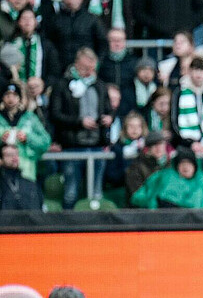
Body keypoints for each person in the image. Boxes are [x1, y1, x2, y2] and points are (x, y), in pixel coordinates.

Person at [50, 47, 112, 210]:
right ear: (76, 64)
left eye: (92, 69)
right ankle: (66, 229)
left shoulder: (99, 85)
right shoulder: (62, 85)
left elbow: (107, 108)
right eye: (85, 69)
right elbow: (55, 114)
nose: (89, 73)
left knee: (96, 193)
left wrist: (108, 118)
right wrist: (79, 122)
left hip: (96, 144)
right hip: (73, 145)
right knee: (71, 192)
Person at [131, 147, 203, 209]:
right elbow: (144, 196)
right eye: (182, 163)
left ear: (195, 166)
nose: (185, 167)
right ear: (177, 166)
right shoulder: (166, 177)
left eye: (189, 164)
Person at [171, 56, 203, 178]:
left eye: (202, 70)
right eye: (195, 70)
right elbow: (174, 121)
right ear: (190, 72)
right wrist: (190, 143)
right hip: (187, 151)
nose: (199, 74)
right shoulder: (180, 91)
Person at [0, 82, 48, 183]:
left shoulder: (30, 118)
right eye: (7, 95)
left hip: (26, 171)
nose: (10, 99)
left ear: (19, 98)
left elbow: (45, 142)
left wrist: (28, 138)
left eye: (14, 95)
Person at [125, 129, 168, 204]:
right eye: (154, 145)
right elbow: (137, 196)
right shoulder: (136, 167)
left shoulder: (170, 165)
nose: (159, 148)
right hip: (143, 211)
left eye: (161, 144)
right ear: (148, 148)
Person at [0, 143, 42, 210]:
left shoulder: (29, 184)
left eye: (16, 154)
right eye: (9, 155)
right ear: (1, 160)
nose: (14, 157)